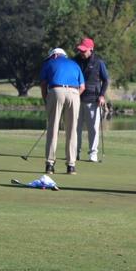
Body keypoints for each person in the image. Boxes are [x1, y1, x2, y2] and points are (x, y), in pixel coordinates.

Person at [39, 47, 85, 175]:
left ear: (54, 55)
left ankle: (50, 165)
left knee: (53, 129)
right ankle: (71, 166)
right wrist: (74, 95)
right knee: (72, 130)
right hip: (74, 92)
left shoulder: (48, 63)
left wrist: (46, 99)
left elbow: (43, 84)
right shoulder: (74, 64)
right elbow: (82, 86)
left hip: (56, 91)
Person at [73, 37, 109, 162]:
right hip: (76, 98)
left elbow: (106, 80)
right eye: (80, 50)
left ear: (91, 49)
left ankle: (93, 153)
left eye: (84, 50)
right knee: (75, 128)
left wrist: (102, 95)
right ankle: (74, 152)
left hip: (93, 99)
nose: (81, 53)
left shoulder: (98, 62)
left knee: (93, 128)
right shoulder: (75, 60)